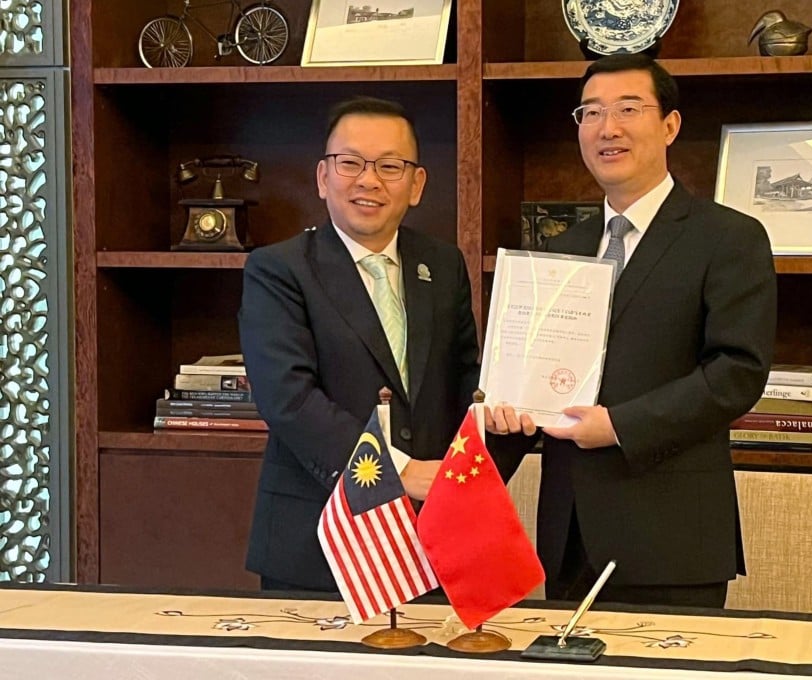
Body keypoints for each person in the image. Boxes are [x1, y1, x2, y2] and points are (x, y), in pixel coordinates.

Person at [489, 53, 777, 608]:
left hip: (672, 532)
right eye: (590, 113)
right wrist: (508, 408)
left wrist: (620, 425)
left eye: (628, 109)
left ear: (669, 125)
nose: (608, 128)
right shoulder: (559, 250)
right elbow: (537, 376)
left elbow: (737, 373)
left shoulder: (728, 239)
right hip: (569, 534)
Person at [239, 96, 480, 592]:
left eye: (390, 166)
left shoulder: (443, 265)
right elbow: (289, 400)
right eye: (350, 163)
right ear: (323, 177)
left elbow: (465, 380)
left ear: (416, 186)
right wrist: (402, 471)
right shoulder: (279, 270)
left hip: (430, 540)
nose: (368, 181)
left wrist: (514, 409)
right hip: (319, 545)